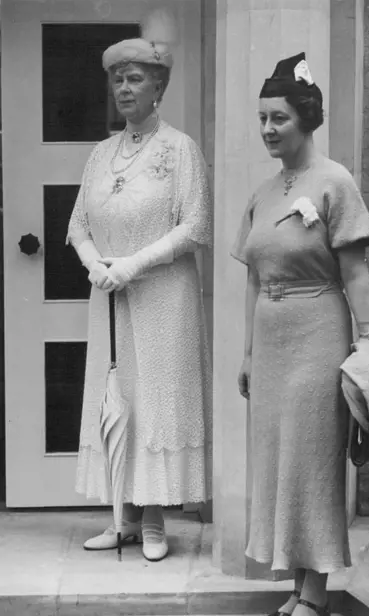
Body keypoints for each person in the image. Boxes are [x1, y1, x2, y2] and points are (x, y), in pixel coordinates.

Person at [231, 53, 369, 616]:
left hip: (319, 331)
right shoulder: (266, 190)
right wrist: (247, 352)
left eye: (279, 118)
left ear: (307, 118)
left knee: (311, 463)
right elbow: (250, 275)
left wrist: (367, 343)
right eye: (262, 118)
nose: (269, 129)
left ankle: (316, 597)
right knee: (280, 464)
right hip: (270, 342)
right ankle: (298, 587)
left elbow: (356, 275)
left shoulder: (334, 182)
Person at [66, 15, 212, 562]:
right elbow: (78, 222)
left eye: (135, 79)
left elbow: (194, 225)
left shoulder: (180, 150)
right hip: (108, 294)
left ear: (159, 88)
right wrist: (93, 261)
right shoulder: (101, 154)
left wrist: (131, 265)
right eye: (118, 80)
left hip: (162, 298)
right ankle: (121, 518)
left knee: (154, 399)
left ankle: (154, 522)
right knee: (115, 399)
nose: (125, 89)